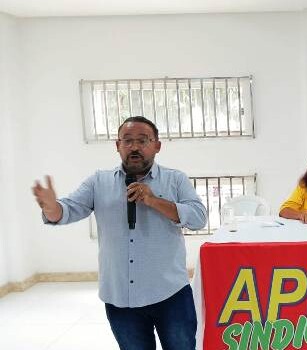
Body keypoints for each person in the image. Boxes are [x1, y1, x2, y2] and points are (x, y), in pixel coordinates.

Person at [32, 116, 207, 350]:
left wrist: (154, 201)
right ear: (118, 146)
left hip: (171, 295)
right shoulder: (98, 182)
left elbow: (198, 218)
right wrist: (52, 207)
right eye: (128, 140)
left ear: (157, 145)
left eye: (143, 140)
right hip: (120, 300)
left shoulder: (175, 179)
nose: (134, 147)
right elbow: (67, 210)